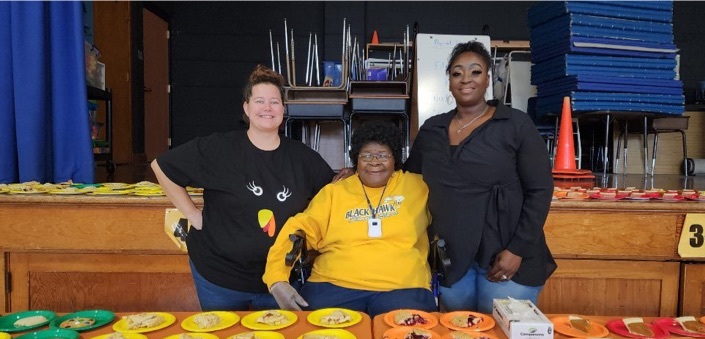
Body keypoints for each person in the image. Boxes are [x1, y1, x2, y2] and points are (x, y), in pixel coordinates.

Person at [151, 64, 333, 311]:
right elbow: (161, 166)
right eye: (259, 101)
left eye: (275, 102)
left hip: (279, 281)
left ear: (283, 109)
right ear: (246, 108)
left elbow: (333, 194)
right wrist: (193, 215)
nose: (267, 108)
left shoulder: (303, 158)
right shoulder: (219, 149)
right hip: (218, 277)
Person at [403, 41, 557, 314]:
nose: (466, 79)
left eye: (475, 72)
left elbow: (540, 190)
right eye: (457, 73)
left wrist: (517, 250)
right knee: (458, 335)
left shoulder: (515, 125)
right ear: (449, 81)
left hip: (505, 257)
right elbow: (406, 177)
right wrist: (357, 172)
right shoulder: (432, 129)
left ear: (488, 79)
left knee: (501, 337)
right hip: (452, 259)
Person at [263, 121, 437, 317]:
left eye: (383, 155)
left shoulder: (418, 187)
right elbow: (299, 229)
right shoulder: (334, 192)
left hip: (403, 287)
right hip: (333, 284)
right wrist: (277, 277)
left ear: (395, 158)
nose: (374, 161)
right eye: (366, 155)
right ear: (356, 159)